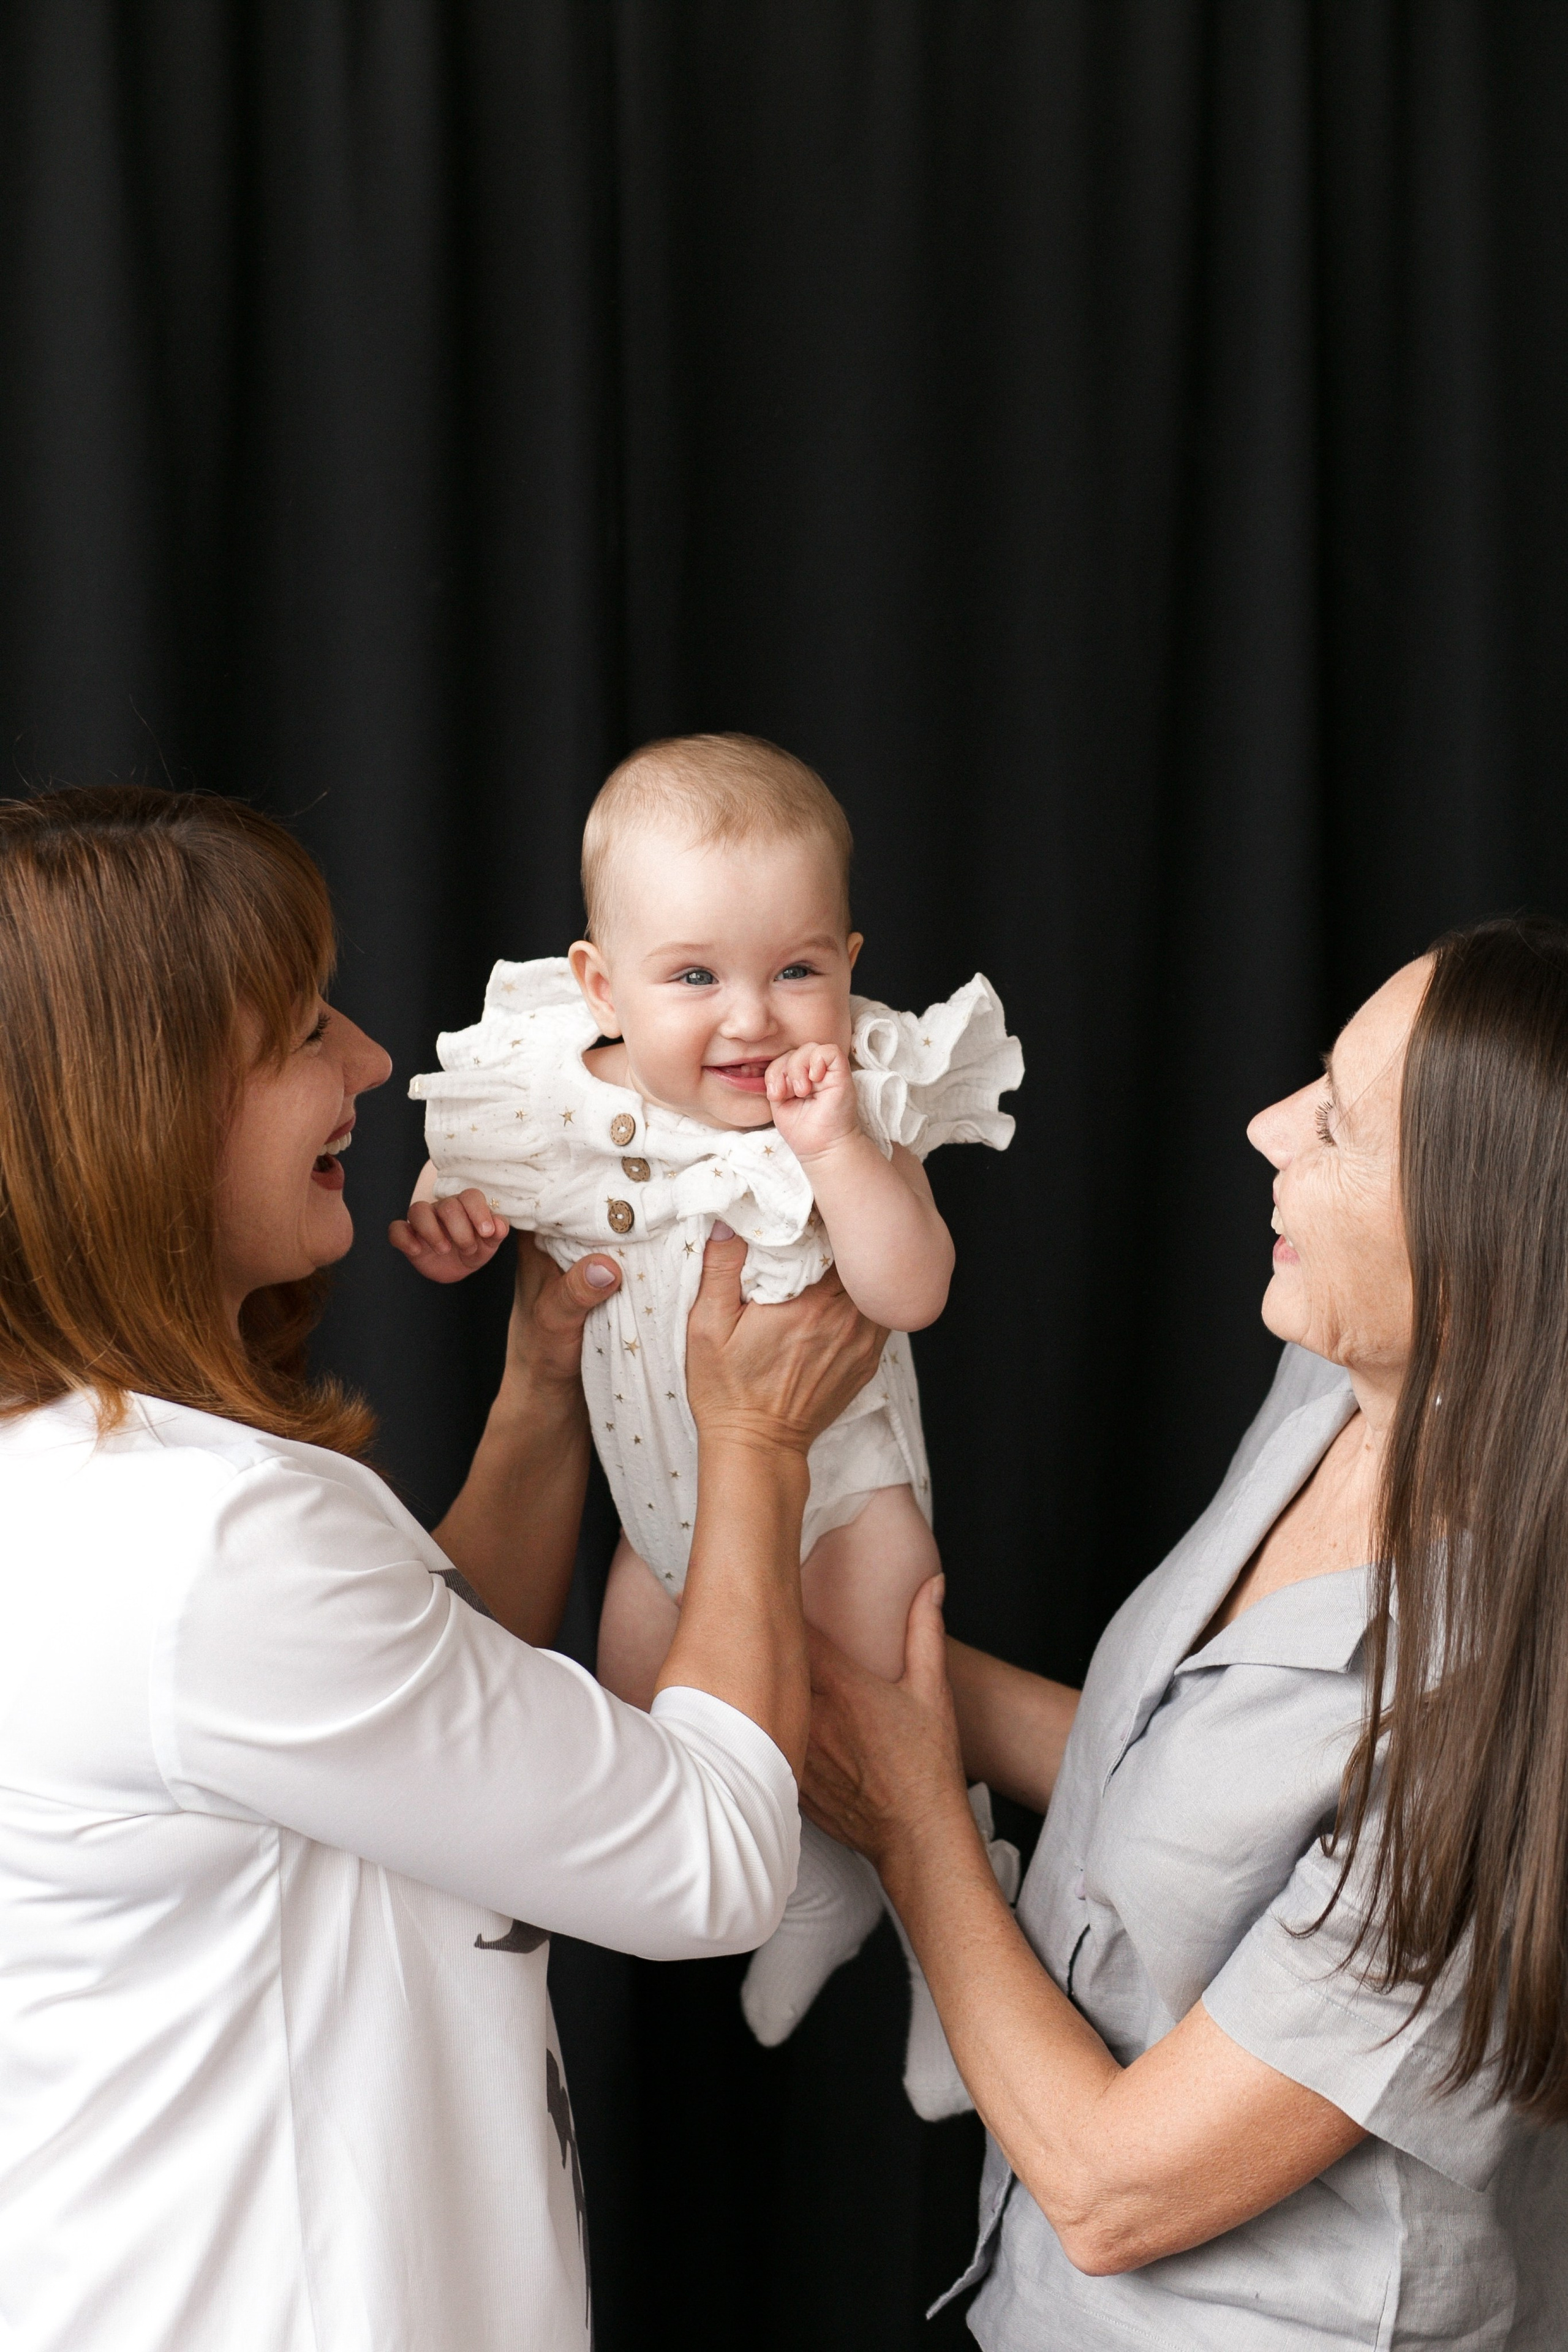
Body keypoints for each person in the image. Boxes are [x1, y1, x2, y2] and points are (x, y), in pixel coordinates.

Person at [0, 783, 884, 2352]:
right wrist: (751, 1445)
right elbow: (713, 1864)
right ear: (146, 1110)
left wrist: (543, 1393)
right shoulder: (212, 1546)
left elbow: (427, 1706)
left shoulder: (93, 1480)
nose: (371, 1063)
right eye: (303, 1033)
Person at [803, 916, 1568, 2350]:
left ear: (1479, 1247)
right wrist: (840, 1661)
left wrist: (912, 1825)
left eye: (1335, 1125)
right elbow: (1165, 1784)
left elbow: (1112, 2189)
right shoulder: (1332, 1375)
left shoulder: (1510, 1711)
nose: (1265, 1125)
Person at [396, 732, 1024, 2113]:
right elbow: (473, 1198)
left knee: (898, 1734)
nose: (750, 1020)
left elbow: (908, 1289)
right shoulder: (553, 1094)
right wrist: (456, 1231)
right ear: (597, 983)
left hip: (844, 1500)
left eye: (795, 970)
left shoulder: (850, 1094)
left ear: (848, 964)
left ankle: (952, 1937)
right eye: (694, 978)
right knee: (642, 1719)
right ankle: (810, 1890)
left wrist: (838, 1154)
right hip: (664, 1518)